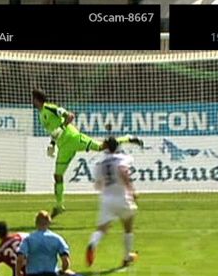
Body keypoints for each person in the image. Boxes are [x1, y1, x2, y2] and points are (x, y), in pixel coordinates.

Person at [32, 88, 143, 218]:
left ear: (37, 99)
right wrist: (52, 144)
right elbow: (54, 132)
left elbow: (70, 116)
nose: (32, 101)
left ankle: (127, 138)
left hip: (74, 138)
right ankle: (59, 206)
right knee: (58, 176)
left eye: (33, 99)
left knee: (101, 147)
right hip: (63, 147)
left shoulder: (50, 108)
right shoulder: (41, 115)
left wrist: (61, 128)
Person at [86, 136, 140, 268]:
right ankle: (127, 257)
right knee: (128, 227)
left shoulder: (101, 163)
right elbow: (123, 171)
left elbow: (98, 185)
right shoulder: (123, 158)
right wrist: (132, 190)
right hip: (121, 196)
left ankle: (93, 243)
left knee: (102, 229)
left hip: (106, 199)